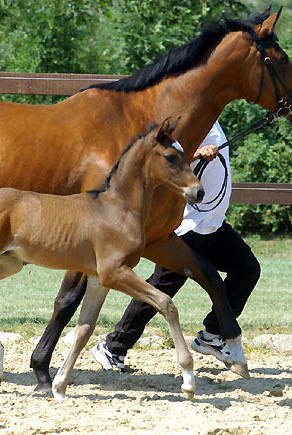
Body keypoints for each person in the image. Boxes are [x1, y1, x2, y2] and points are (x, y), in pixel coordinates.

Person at [91, 120, 260, 376]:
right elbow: (165, 160)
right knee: (159, 288)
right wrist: (196, 154)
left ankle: (211, 334)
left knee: (247, 269)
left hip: (213, 225)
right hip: (190, 229)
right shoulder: (192, 123)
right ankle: (113, 346)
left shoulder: (212, 120)